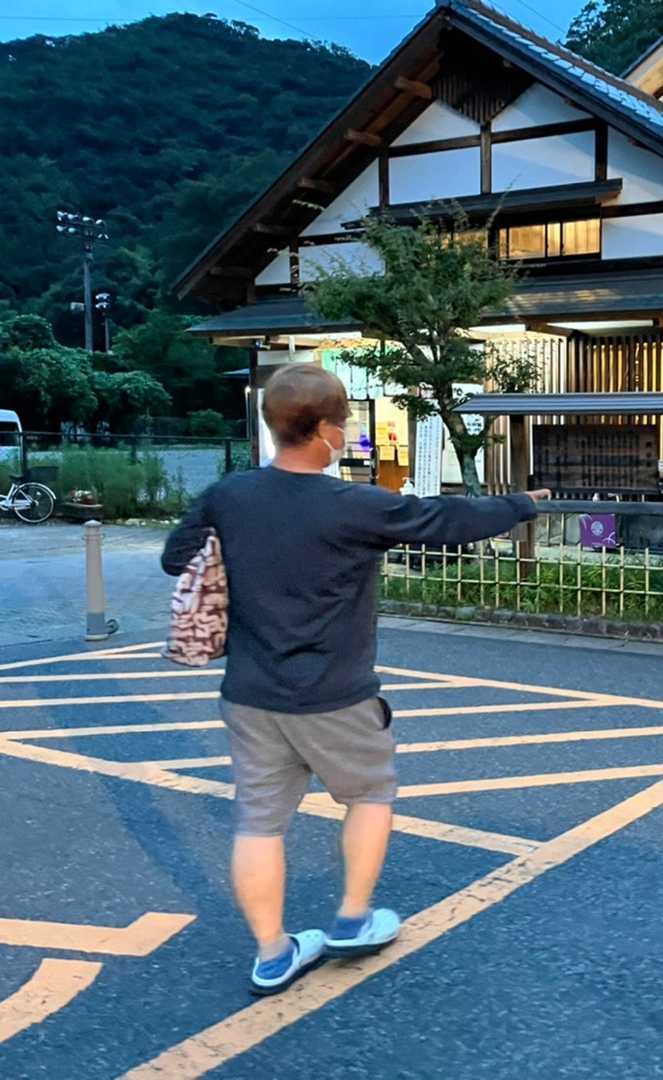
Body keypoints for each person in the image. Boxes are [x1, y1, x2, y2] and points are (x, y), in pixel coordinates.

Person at [163, 363, 548, 995]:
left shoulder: (228, 496)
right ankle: (351, 918)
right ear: (324, 431)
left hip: (251, 692)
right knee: (369, 794)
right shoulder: (354, 506)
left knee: (259, 823)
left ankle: (272, 954)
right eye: (342, 423)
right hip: (336, 694)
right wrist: (521, 504)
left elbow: (176, 557)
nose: (345, 434)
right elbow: (444, 521)